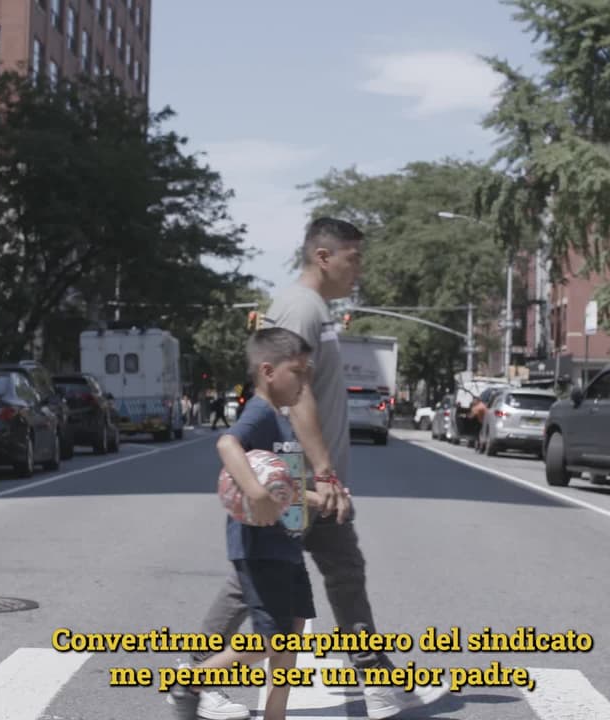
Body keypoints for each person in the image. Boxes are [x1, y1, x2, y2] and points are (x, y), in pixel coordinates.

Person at [182, 218, 448, 720]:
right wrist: (323, 474)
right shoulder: (299, 308)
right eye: (353, 257)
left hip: (307, 475)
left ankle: (375, 679)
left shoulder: (317, 311)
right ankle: (196, 678)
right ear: (323, 257)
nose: (359, 269)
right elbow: (296, 394)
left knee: (338, 571)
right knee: (259, 579)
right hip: (296, 476)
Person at [169, 327, 323, 720]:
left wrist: (320, 498)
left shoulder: (282, 420)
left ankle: (275, 714)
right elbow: (227, 444)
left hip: (287, 547)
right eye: (297, 372)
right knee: (274, 642)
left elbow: (283, 488)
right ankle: (192, 681)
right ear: (268, 372)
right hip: (262, 548)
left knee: (291, 636)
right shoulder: (260, 413)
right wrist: (255, 493)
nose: (304, 380)